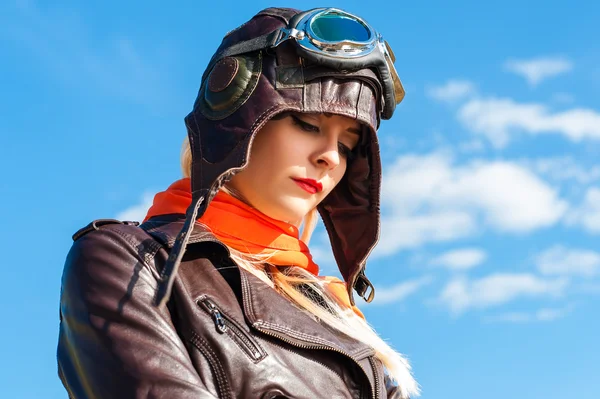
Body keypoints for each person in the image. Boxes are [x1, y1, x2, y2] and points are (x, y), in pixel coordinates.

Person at [57, 6, 419, 399]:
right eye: (308, 124)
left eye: (347, 145)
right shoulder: (127, 263)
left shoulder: (338, 314)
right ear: (238, 120)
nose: (330, 156)